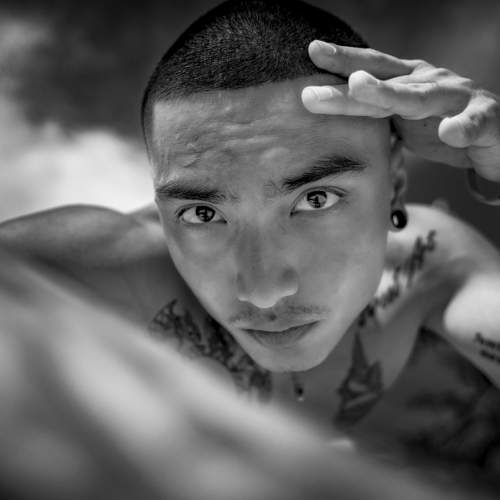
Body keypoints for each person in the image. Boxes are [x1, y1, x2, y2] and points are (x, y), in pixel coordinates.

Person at [1, 0, 500, 489]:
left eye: (316, 199)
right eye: (203, 214)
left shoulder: (432, 266)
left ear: (395, 181)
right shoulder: (111, 274)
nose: (263, 290)